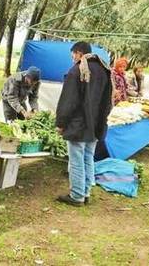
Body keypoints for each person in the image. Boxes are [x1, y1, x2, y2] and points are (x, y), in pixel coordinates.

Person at [56, 41, 112, 206]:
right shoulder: (104, 70)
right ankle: (86, 191)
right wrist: (103, 118)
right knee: (88, 157)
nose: (72, 58)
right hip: (96, 124)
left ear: (79, 53)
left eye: (73, 54)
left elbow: (68, 101)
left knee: (76, 160)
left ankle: (77, 195)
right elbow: (108, 101)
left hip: (79, 125)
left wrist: (61, 123)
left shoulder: (77, 70)